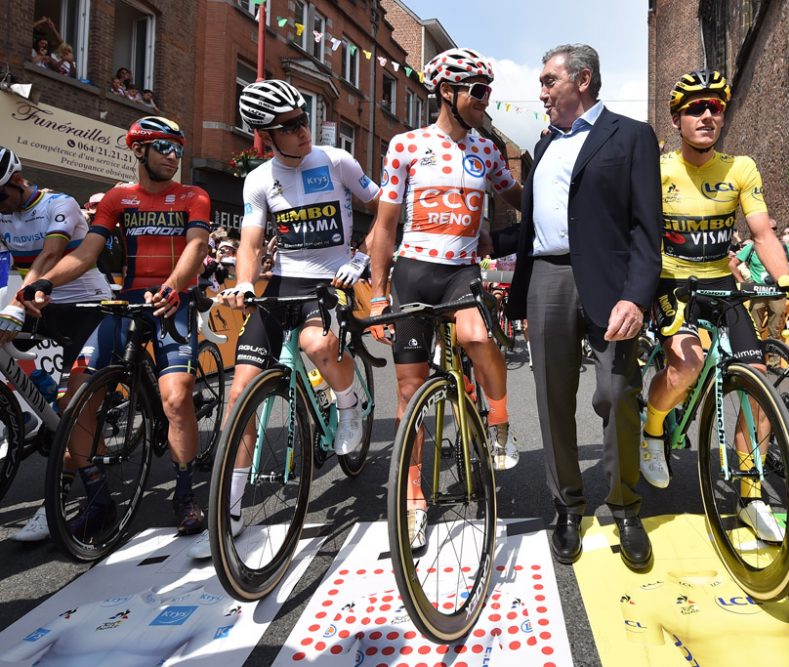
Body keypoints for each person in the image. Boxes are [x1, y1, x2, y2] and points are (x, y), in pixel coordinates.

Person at [190, 80, 381, 559]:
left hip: (327, 284)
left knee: (318, 347)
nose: (303, 130)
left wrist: (360, 258)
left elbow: (384, 210)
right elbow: (251, 246)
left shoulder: (336, 161)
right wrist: (243, 285)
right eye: (290, 126)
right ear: (265, 135)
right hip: (281, 287)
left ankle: (350, 403)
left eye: (304, 118)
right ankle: (228, 512)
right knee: (239, 396)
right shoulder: (258, 180)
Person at [492, 43, 661, 571]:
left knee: (616, 392)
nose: (540, 91)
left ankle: (626, 505)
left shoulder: (630, 135)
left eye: (548, 81)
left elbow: (645, 227)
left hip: (611, 283)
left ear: (582, 80)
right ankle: (566, 504)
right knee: (551, 398)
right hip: (547, 278)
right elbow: (534, 224)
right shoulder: (540, 147)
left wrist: (637, 295)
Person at [22, 116, 213, 539]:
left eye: (178, 149)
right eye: (164, 147)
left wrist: (172, 286)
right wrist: (46, 282)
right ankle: (98, 497)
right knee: (76, 398)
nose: (173, 156)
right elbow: (88, 252)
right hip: (127, 302)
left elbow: (197, 246)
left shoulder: (192, 195)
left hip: (172, 300)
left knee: (177, 398)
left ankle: (184, 494)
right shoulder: (118, 197)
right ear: (138, 150)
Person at [367, 47, 524, 550]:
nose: (485, 100)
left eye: (488, 91)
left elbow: (523, 199)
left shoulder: (487, 150)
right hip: (414, 273)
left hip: (461, 272)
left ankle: (498, 424)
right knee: (410, 393)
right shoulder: (406, 146)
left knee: (476, 335)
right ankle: (413, 496)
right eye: (477, 92)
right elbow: (384, 227)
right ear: (447, 94)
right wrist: (376, 295)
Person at [641, 70, 789, 545]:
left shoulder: (741, 167)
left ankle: (752, 496)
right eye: (696, 109)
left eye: (715, 108)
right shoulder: (660, 169)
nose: (707, 116)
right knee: (686, 367)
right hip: (674, 283)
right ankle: (652, 431)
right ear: (677, 119)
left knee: (759, 386)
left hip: (723, 286)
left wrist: (785, 279)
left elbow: (763, 232)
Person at [0, 147, 112, 542]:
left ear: (17, 180)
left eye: (0, 196)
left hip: (85, 305)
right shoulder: (3, 214)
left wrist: (18, 301)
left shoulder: (59, 203)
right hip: (38, 304)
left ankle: (72, 492)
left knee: (73, 401)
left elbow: (50, 254)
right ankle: (34, 414)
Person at [730, 217, 789, 350]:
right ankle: (754, 359)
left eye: (772, 229)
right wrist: (742, 282)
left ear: (776, 230)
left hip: (778, 292)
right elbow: (733, 264)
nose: (768, 232)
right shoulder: (751, 247)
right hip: (758, 293)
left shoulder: (783, 247)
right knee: (754, 328)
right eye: (765, 229)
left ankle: (774, 364)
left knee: (776, 330)